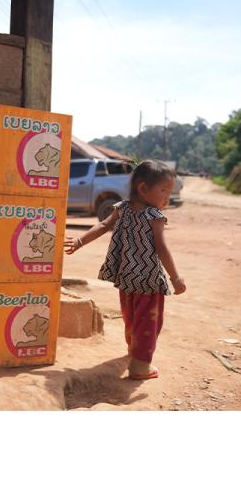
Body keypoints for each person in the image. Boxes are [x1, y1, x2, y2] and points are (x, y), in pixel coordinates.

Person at [64, 159, 186, 380]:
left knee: (131, 317)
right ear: (143, 188)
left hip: (126, 276)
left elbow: (103, 225)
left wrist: (80, 241)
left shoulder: (123, 209)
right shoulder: (155, 217)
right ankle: (140, 366)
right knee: (149, 321)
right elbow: (162, 248)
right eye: (164, 191)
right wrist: (175, 278)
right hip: (148, 280)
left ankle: (134, 351)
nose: (167, 197)